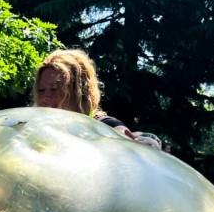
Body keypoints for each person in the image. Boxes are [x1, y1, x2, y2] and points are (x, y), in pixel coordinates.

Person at [31, 49, 162, 149]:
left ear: (79, 91)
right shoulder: (41, 130)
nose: (45, 97)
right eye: (41, 90)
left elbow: (121, 134)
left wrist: (141, 142)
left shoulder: (102, 126)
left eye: (55, 89)